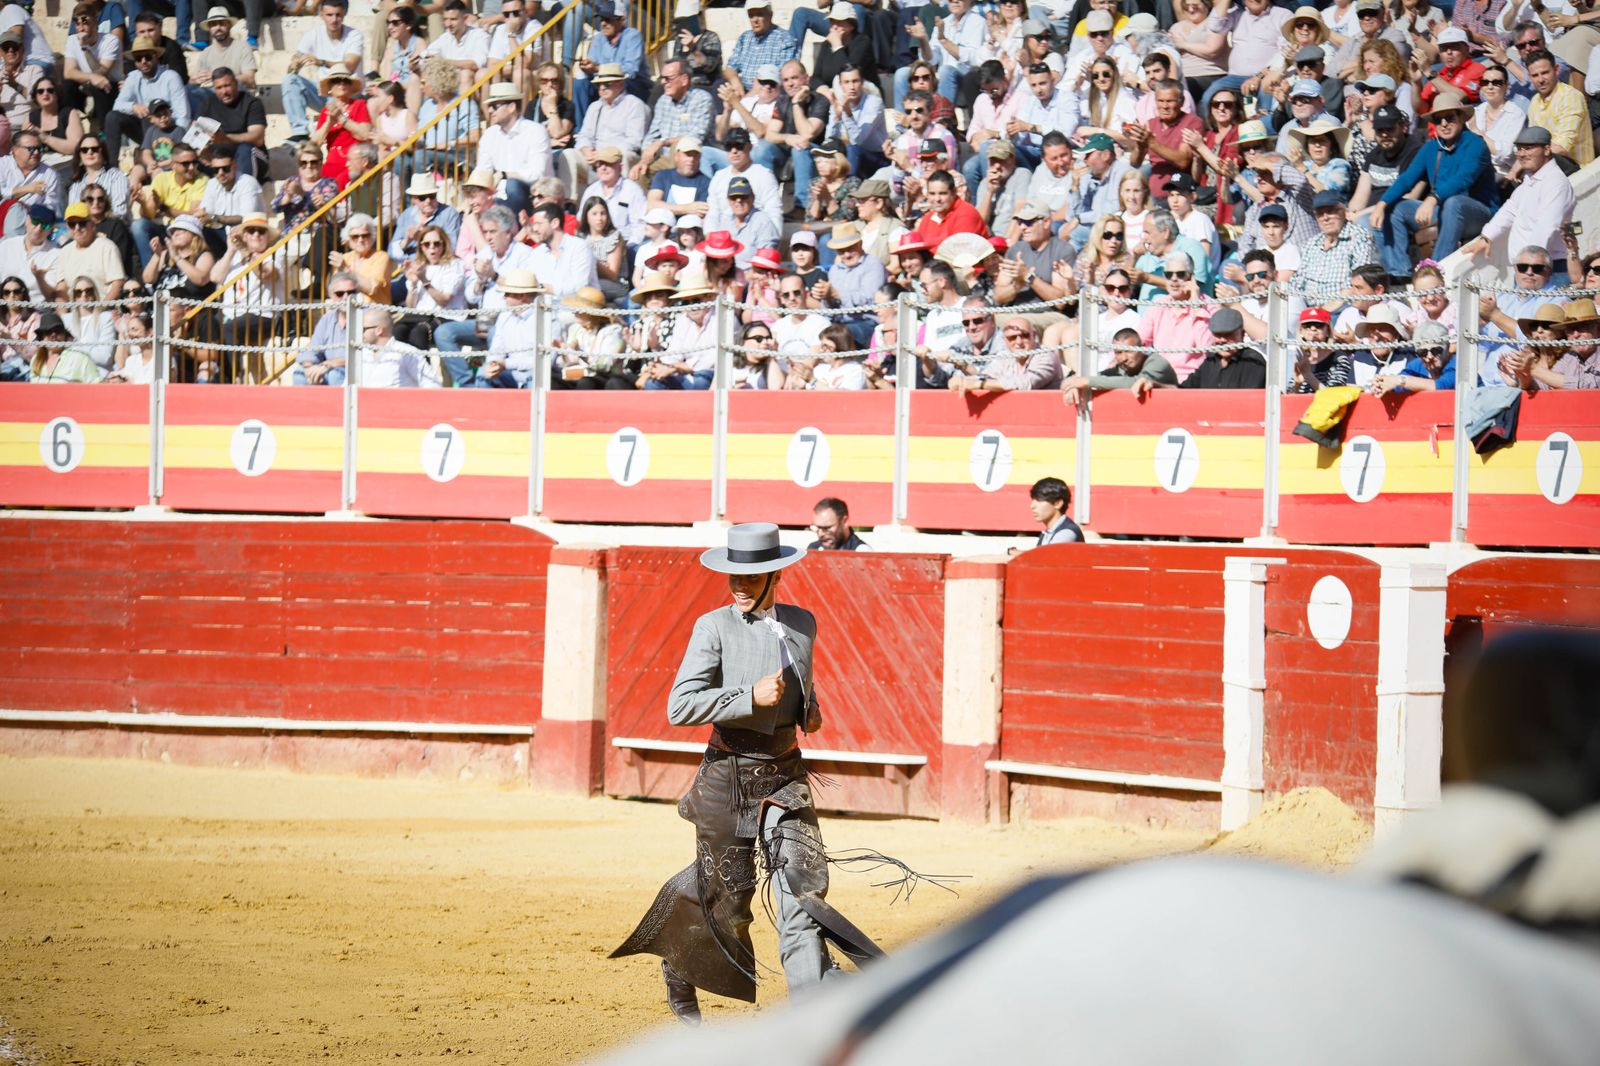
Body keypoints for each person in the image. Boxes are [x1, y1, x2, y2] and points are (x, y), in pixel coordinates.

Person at [612, 521, 887, 1025]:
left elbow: (800, 676)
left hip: (785, 773)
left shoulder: (803, 622)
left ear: (774, 573)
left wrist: (811, 711)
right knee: (730, 903)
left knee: (804, 891)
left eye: (751, 574)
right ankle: (681, 961)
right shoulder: (712, 627)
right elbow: (680, 706)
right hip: (728, 777)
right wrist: (745, 698)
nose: (739, 584)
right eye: (733, 575)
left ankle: (812, 1019)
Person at [1366, 92, 1498, 281]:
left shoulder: (1476, 143)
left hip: (1479, 212)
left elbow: (1463, 179)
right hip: (1444, 208)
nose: (1444, 123)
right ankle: (1399, 273)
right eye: (1438, 119)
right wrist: (1383, 204)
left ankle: (1436, 271)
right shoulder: (1430, 147)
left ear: (1461, 118)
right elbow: (1407, 179)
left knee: (1453, 203)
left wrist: (1432, 198)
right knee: (1395, 208)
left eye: (1449, 117)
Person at [1460, 127, 1575, 280]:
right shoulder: (1530, 179)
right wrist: (1487, 237)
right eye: (1519, 149)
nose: (1522, 154)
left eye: (1528, 148)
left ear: (1547, 150)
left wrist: (1529, 265)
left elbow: (1547, 226)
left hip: (1544, 269)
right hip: (1528, 268)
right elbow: (1510, 210)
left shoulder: (1556, 183)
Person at [281, 0, 365, 145]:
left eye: (338, 15)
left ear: (344, 14)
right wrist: (294, 65)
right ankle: (300, 132)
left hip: (348, 92)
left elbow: (350, 66)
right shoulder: (313, 34)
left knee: (337, 91)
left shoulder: (354, 35)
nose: (334, 19)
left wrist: (321, 62)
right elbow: (293, 66)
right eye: (329, 15)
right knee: (290, 80)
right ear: (321, 14)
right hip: (325, 93)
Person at [1062, 325, 1180, 404]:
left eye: (1129, 351)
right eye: (1118, 352)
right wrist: (1073, 385)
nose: (1123, 358)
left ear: (1142, 348)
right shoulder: (1121, 369)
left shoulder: (1157, 363)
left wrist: (1087, 381)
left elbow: (1135, 382)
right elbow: (1100, 377)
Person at [359, 306, 441, 388]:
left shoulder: (406, 353)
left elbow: (432, 385)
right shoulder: (361, 354)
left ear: (379, 330)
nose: (360, 334)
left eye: (363, 329)